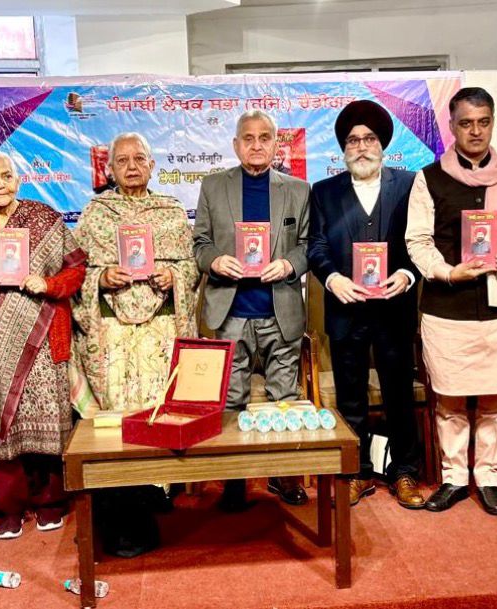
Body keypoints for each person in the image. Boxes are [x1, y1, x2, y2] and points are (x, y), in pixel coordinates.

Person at [405, 87, 497, 515]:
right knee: (450, 400)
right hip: (448, 306)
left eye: (483, 122)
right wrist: (447, 272)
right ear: (452, 127)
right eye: (466, 123)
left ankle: (489, 479)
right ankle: (454, 478)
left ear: (492, 123)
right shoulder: (429, 178)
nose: (475, 131)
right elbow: (417, 240)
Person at [72, 132, 199, 557]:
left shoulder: (171, 211)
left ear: (152, 165)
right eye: (122, 160)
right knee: (118, 417)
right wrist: (101, 278)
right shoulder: (96, 214)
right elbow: (77, 272)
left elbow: (191, 267)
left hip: (159, 333)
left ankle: (154, 491)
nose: (131, 166)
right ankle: (118, 499)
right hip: (113, 336)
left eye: (139, 158)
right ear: (109, 169)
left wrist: (173, 276)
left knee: (156, 411)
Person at [307, 99, 425, 509]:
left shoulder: (410, 185)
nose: (361, 146)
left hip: (394, 309)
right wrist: (333, 278)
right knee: (350, 398)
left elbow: (421, 241)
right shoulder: (324, 192)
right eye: (353, 140)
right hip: (346, 310)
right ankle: (356, 472)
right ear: (344, 149)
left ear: (382, 145)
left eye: (369, 139)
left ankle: (405, 472)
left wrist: (407, 274)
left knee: (399, 395)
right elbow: (316, 245)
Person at [0, 151, 87, 540]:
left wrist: (48, 284)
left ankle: (51, 502)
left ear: (18, 181)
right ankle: (9, 506)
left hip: (44, 335)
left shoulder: (44, 217)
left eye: (6, 176)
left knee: (48, 422)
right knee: (2, 427)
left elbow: (77, 268)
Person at [194, 110, 311, 511]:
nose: (256, 145)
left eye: (265, 137)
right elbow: (200, 244)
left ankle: (284, 476)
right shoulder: (213, 186)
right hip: (231, 310)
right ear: (235, 144)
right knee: (230, 401)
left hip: (280, 310)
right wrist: (214, 261)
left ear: (277, 144)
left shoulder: (298, 190)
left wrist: (290, 264)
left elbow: (308, 244)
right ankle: (234, 481)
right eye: (248, 138)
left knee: (284, 397)